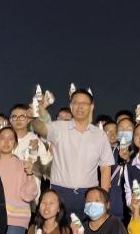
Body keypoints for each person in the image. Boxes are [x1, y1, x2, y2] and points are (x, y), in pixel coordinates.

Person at [32, 89, 113, 218]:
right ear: (71, 106)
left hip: (89, 194)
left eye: (84, 103)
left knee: (86, 230)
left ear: (92, 107)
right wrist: (39, 110)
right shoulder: (58, 128)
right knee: (60, 229)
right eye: (76, 103)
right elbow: (39, 128)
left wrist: (103, 197)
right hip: (60, 192)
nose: (79, 106)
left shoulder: (100, 135)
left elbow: (105, 169)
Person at [8, 104, 53, 187]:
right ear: (10, 120)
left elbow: (46, 170)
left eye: (22, 117)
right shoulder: (4, 141)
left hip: (30, 189)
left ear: (29, 119)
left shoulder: (36, 141)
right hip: (8, 188)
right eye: (14, 117)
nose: (18, 120)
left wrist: (34, 153)